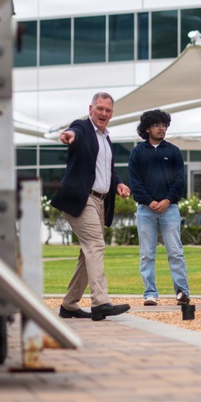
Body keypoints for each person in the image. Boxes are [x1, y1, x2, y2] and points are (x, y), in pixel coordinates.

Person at [51, 92, 132, 321]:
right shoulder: (83, 128)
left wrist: (119, 183)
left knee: (88, 253)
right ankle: (101, 302)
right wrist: (69, 135)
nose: (103, 113)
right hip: (80, 198)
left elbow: (107, 170)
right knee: (96, 245)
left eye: (107, 110)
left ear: (112, 114)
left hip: (99, 201)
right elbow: (74, 131)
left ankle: (69, 305)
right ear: (90, 109)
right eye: (100, 109)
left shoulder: (106, 139)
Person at [127, 109, 190, 307]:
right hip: (145, 210)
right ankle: (150, 293)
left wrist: (167, 200)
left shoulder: (173, 151)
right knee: (147, 254)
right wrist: (150, 201)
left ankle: (182, 292)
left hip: (170, 209)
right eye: (157, 125)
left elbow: (180, 181)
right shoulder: (137, 152)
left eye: (164, 125)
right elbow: (135, 183)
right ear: (147, 128)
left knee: (175, 252)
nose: (162, 128)